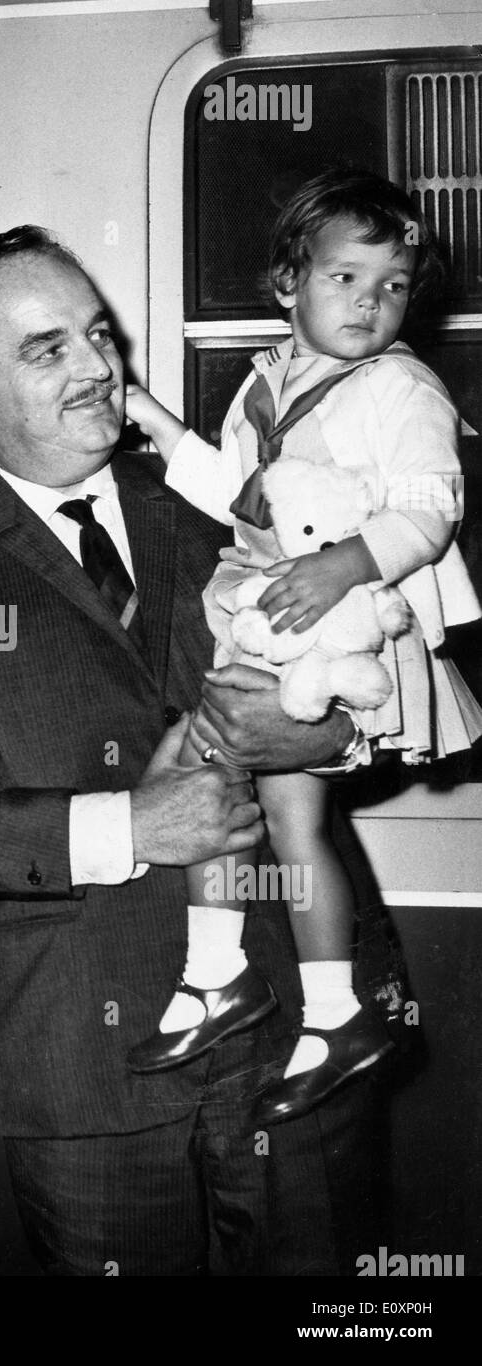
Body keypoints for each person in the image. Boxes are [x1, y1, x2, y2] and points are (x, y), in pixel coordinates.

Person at [0, 223, 384, 1276]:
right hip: (83, 1066)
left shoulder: (223, 509)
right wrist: (123, 827)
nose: (96, 368)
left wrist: (336, 731)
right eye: (47, 349)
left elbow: (375, 671)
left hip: (296, 1031)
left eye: (95, 334)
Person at [124, 169, 482, 1123]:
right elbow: (235, 493)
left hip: (332, 625)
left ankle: (269, 993)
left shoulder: (400, 385)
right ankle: (275, 996)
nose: (371, 302)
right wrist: (157, 424)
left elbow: (431, 511)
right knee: (231, 800)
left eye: (392, 284)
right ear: (287, 283)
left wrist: (343, 567)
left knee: (268, 807)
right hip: (264, 622)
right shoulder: (267, 378)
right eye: (345, 278)